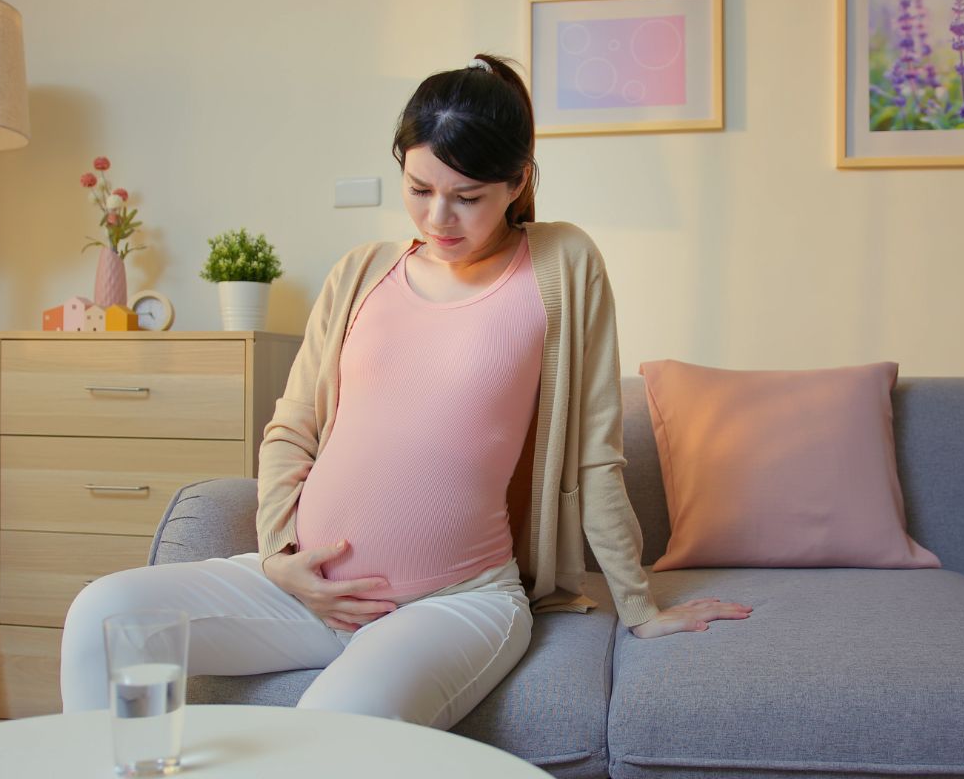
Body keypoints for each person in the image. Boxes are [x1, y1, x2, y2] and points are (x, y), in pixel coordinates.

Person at [60, 53, 752, 730]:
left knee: (335, 725)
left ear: (517, 182)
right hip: (306, 594)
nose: (439, 217)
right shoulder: (362, 272)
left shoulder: (562, 265)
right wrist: (278, 560)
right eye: (419, 188)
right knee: (101, 615)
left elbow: (597, 453)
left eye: (467, 197)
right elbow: (291, 428)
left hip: (455, 604)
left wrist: (641, 606)